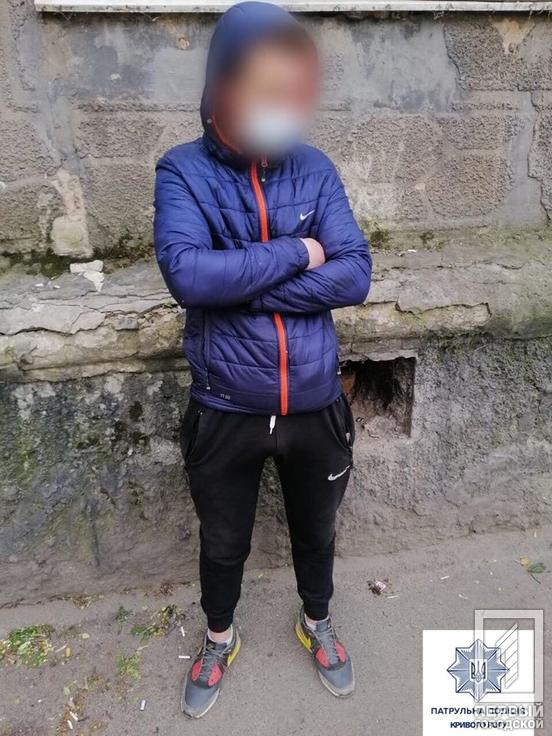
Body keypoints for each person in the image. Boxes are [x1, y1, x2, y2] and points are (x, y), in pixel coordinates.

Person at [154, 0, 371, 719]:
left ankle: (318, 622)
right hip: (225, 406)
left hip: (314, 401)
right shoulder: (182, 171)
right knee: (223, 540)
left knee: (317, 529)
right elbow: (190, 276)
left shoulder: (316, 169)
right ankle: (219, 638)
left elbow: (355, 275)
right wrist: (299, 252)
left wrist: (240, 280)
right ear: (224, 84)